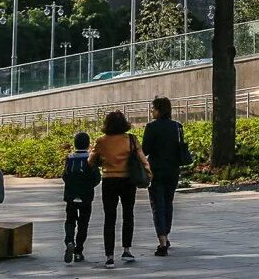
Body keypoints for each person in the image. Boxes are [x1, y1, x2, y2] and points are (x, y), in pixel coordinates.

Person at [89, 110, 151, 269]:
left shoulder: (101, 141)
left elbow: (91, 161)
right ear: (124, 123)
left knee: (109, 218)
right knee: (128, 214)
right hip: (128, 180)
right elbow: (142, 159)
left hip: (109, 180)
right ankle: (126, 249)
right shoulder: (131, 139)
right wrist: (148, 175)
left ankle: (109, 256)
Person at [141, 96, 183, 256]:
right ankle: (166, 234)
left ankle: (162, 242)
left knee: (157, 205)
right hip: (173, 170)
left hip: (156, 171)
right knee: (168, 202)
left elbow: (145, 150)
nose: (151, 111)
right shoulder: (177, 126)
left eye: (153, 108)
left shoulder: (151, 127)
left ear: (159, 110)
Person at [62, 131, 100, 264]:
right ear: (88, 144)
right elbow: (97, 178)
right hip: (86, 197)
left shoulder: (70, 158)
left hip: (71, 196)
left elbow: (65, 176)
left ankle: (69, 241)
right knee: (83, 224)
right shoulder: (90, 158)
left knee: (70, 220)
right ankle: (78, 251)